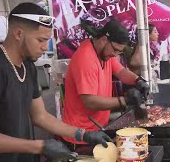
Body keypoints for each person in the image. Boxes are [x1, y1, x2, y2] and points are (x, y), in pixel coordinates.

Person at [0, 2, 113, 162]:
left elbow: (40, 116)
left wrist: (83, 134)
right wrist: (40, 146)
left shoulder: (28, 65)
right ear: (18, 34)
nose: (45, 47)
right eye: (40, 40)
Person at [62, 20, 149, 149]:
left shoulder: (104, 52)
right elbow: (90, 101)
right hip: (80, 135)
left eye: (119, 52)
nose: (115, 55)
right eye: (115, 50)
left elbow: (120, 71)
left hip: (97, 128)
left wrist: (138, 80)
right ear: (104, 39)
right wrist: (124, 100)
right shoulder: (85, 59)